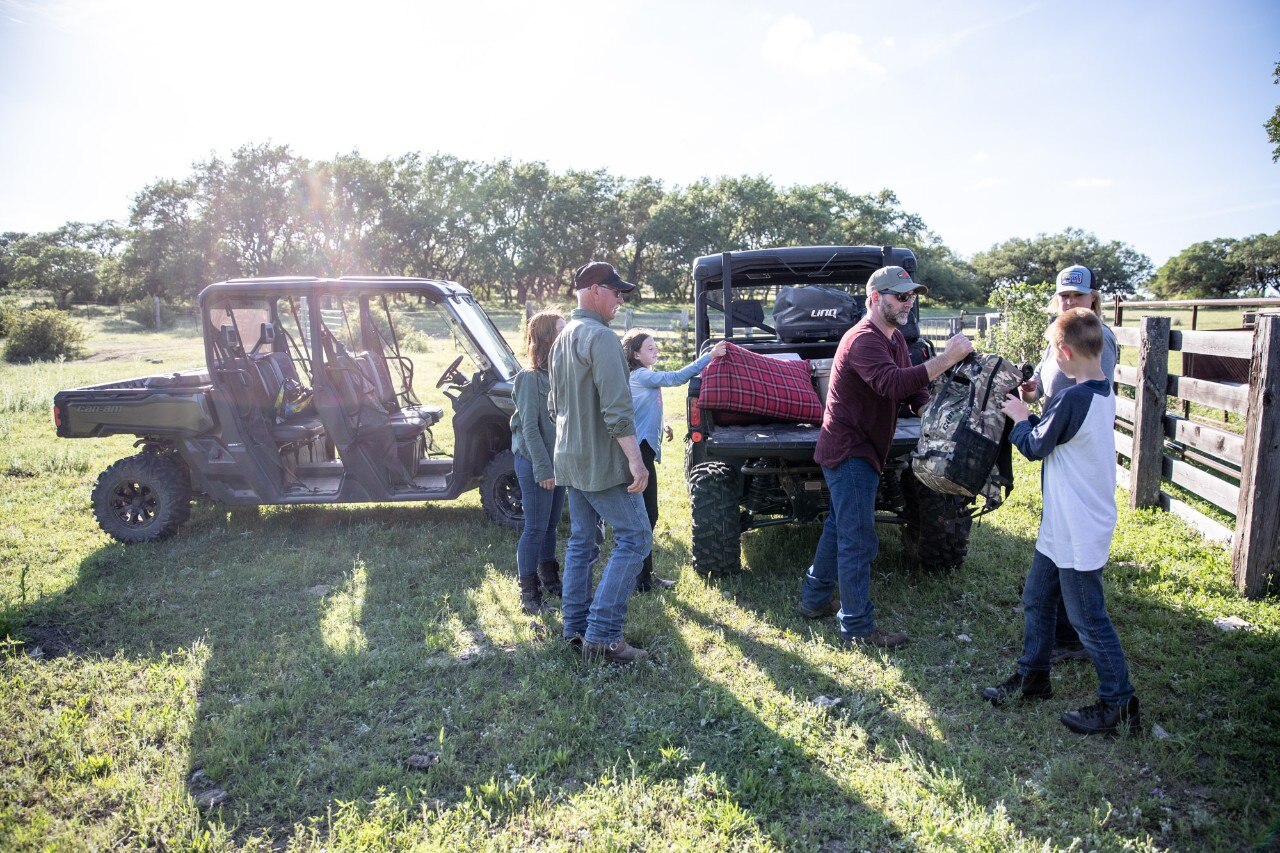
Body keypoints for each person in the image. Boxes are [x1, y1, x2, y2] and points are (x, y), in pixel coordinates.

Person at [798, 266, 974, 649]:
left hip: (860, 449)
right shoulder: (863, 339)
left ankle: (813, 599)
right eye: (899, 295)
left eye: (911, 295)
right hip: (849, 452)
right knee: (858, 538)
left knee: (839, 525)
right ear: (875, 299)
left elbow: (908, 387)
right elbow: (891, 383)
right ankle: (858, 628)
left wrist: (928, 408)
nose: (907, 302)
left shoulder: (892, 338)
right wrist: (946, 359)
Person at [986, 308, 1141, 736]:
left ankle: (1119, 703)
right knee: (1037, 597)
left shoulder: (1073, 398)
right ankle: (1034, 678)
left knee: (1089, 619)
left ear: (1064, 352)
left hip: (1078, 528)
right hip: (1064, 523)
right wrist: (1033, 418)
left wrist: (1020, 416)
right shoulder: (1098, 390)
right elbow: (1056, 438)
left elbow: (1035, 446)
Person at [548, 261, 652, 664]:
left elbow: (554, 404)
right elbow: (616, 409)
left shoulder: (562, 337)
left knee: (582, 542)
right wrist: (636, 462)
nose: (620, 298)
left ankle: (574, 628)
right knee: (636, 538)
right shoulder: (602, 338)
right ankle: (603, 636)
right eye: (615, 291)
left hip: (571, 459)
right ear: (594, 290)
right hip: (602, 462)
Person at [1018, 264, 1119, 664]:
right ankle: (1059, 636)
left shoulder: (1096, 337)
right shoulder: (1058, 335)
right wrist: (1034, 390)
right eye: (1064, 295)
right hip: (1056, 440)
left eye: (1077, 295)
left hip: (1067, 445)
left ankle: (1074, 636)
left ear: (1094, 297)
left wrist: (1027, 423)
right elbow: (1051, 380)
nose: (1070, 301)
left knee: (1071, 544)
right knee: (1058, 531)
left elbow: (1088, 393)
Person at [621, 329, 728, 592]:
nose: (655, 351)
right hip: (639, 454)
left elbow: (640, 410)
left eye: (655, 346)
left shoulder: (639, 376)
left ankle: (644, 577)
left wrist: (663, 424)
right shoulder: (641, 375)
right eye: (649, 348)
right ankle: (640, 579)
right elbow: (676, 377)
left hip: (644, 448)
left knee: (648, 516)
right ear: (636, 354)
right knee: (647, 516)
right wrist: (709, 357)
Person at [510, 308, 566, 614]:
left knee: (551, 525)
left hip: (557, 462)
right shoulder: (529, 378)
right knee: (535, 528)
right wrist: (544, 469)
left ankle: (551, 582)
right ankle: (529, 596)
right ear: (546, 337)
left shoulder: (558, 373)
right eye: (560, 330)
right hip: (535, 462)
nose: (565, 335)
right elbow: (529, 428)